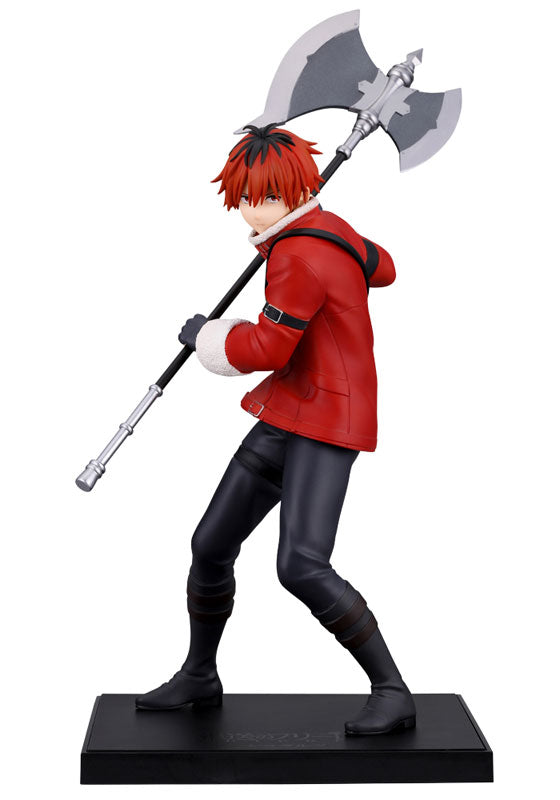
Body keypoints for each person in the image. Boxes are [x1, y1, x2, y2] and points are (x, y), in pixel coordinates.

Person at [135, 124, 416, 735]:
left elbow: (266, 347)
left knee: (302, 566)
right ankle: (200, 674)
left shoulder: (298, 254)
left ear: (299, 191)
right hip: (292, 405)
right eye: (243, 196)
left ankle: (393, 692)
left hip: (328, 418)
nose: (250, 209)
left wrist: (205, 337)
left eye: (264, 196)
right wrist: (334, 236)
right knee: (211, 543)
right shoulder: (324, 231)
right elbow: (384, 267)